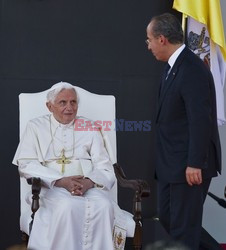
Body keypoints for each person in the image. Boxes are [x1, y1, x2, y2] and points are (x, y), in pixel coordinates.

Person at [13, 82, 133, 250]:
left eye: (73, 102)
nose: (69, 107)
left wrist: (88, 182)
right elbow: (25, 164)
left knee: (104, 206)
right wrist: (61, 181)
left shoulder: (90, 127)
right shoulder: (35, 127)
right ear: (49, 106)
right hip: (52, 188)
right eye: (63, 102)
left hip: (88, 186)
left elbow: (104, 165)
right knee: (67, 206)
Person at [146, 13, 221, 250]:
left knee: (183, 229)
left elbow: (201, 120)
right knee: (169, 220)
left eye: (148, 39)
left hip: (189, 165)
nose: (147, 45)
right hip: (171, 164)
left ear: (161, 39)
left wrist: (195, 162)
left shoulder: (192, 68)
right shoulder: (172, 67)